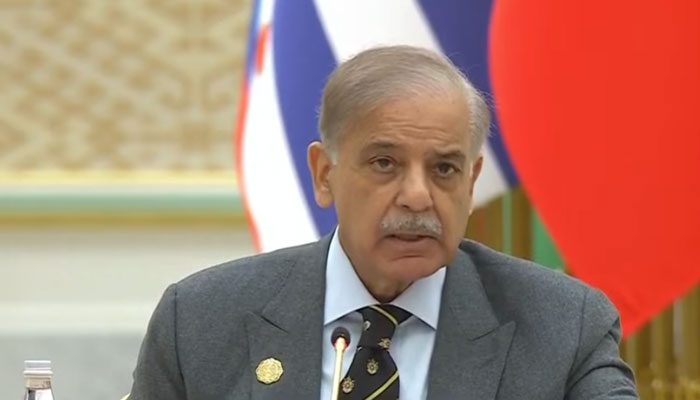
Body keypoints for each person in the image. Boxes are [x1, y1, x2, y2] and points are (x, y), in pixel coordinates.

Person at [128, 45, 638, 399]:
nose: (417, 196)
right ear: (324, 174)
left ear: (471, 181)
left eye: (444, 169)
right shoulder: (200, 321)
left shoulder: (563, 326)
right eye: (384, 163)